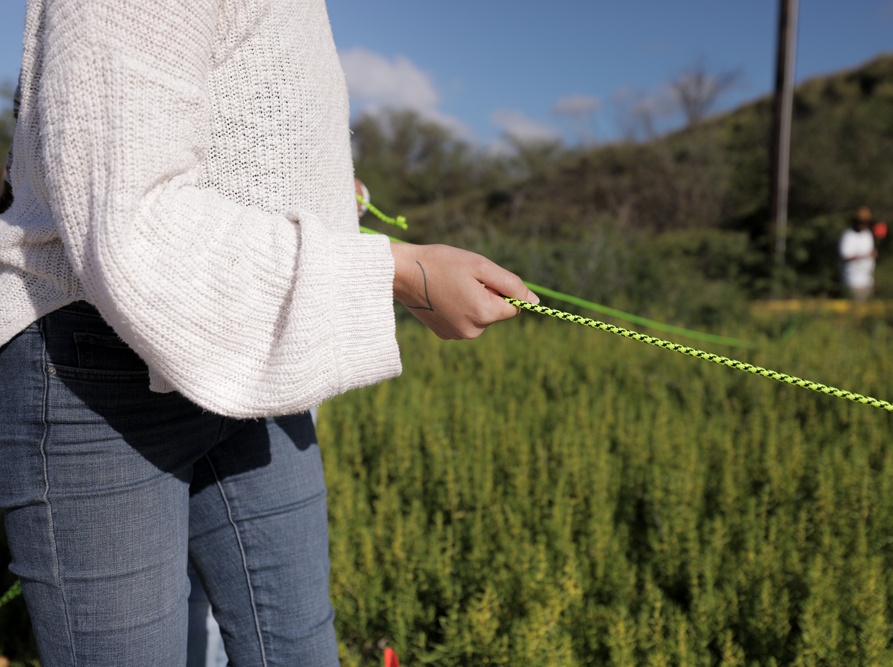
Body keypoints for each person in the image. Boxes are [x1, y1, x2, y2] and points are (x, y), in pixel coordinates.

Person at [0, 2, 537, 667]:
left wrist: (329, 196)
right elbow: (132, 219)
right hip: (97, 366)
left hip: (255, 354)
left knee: (300, 650)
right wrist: (400, 272)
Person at [839, 205, 878, 301]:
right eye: (860, 222)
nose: (862, 224)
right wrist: (864, 256)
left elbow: (871, 252)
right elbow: (845, 256)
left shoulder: (867, 234)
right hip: (853, 281)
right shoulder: (848, 235)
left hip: (868, 281)